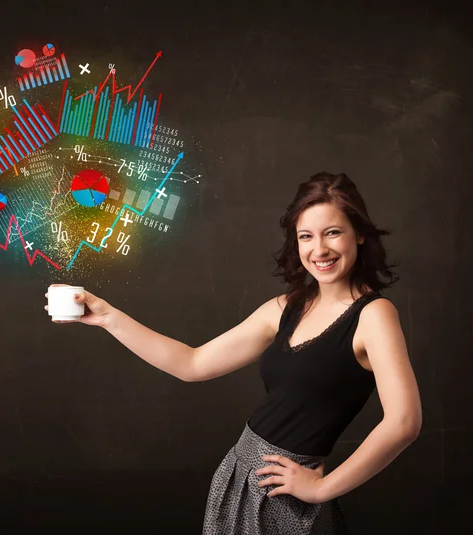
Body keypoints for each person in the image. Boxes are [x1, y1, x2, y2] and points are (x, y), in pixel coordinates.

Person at [44, 172, 422, 534]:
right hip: (239, 475)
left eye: (333, 232)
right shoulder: (287, 307)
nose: (318, 249)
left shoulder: (374, 315)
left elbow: (403, 422)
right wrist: (109, 317)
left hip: (288, 495)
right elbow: (192, 364)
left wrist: (322, 489)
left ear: (359, 235)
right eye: (306, 236)